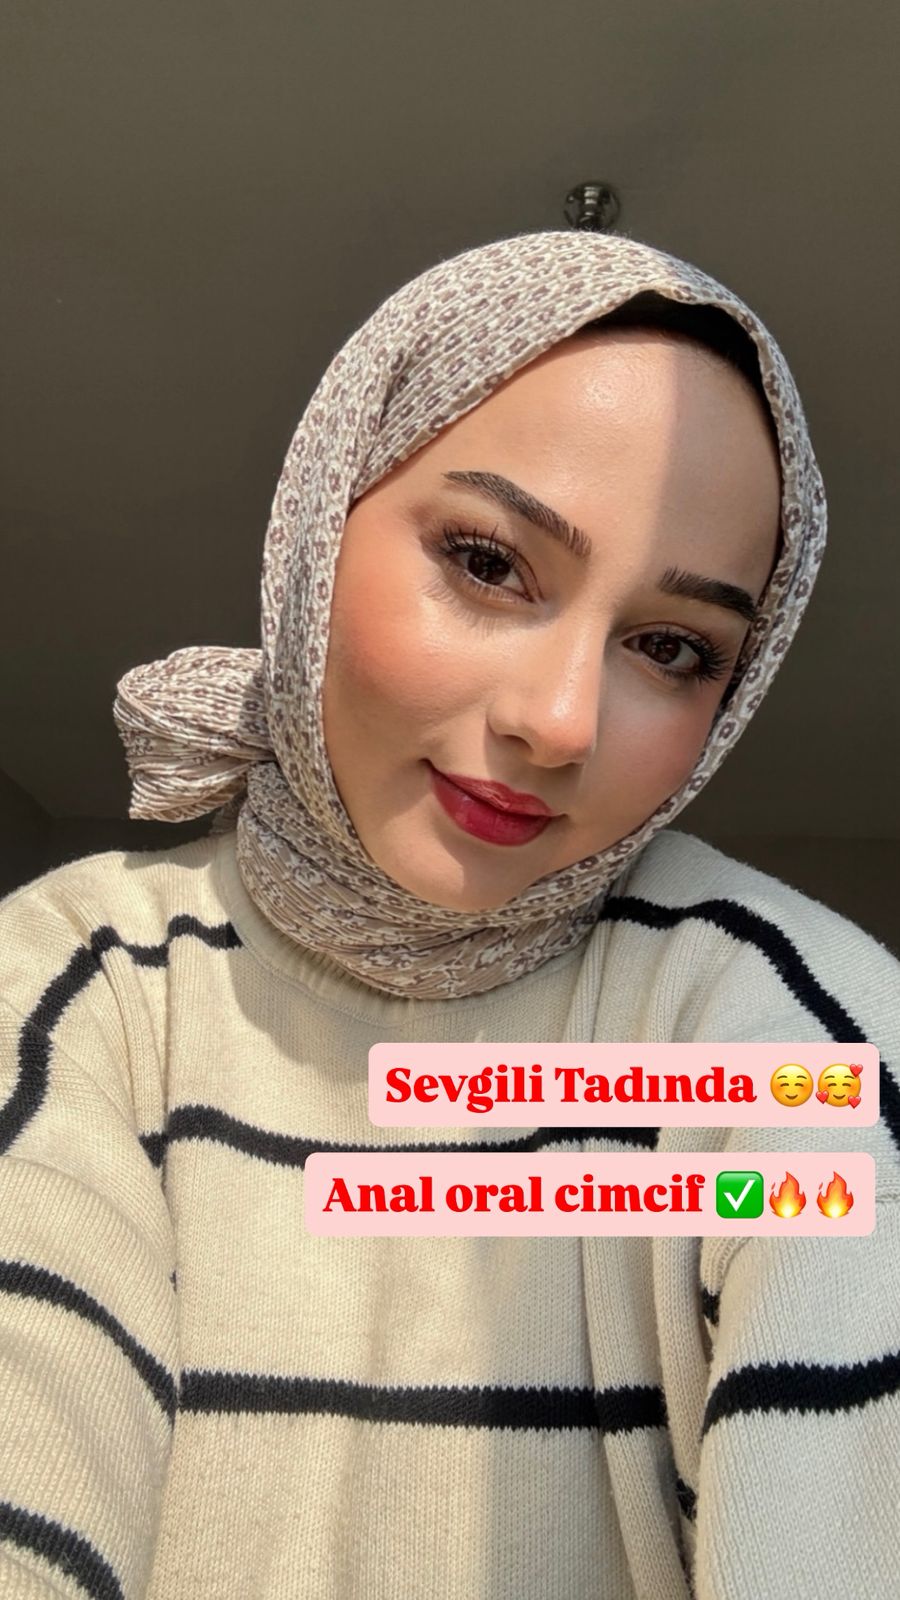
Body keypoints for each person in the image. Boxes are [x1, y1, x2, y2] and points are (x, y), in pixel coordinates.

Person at [0, 229, 897, 1600]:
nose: (560, 722)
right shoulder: (81, 985)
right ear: (319, 526)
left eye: (673, 648)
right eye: (488, 562)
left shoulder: (783, 1031)